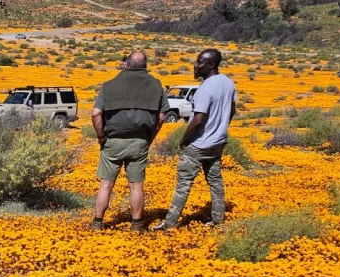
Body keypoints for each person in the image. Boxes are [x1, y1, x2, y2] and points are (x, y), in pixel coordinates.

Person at [153, 49, 236, 231]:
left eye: (200, 62)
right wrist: (221, 128)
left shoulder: (205, 88)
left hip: (198, 145)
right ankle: (217, 220)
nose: (195, 65)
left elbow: (198, 119)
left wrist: (183, 140)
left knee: (183, 184)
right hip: (217, 143)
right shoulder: (228, 83)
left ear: (211, 65)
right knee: (215, 181)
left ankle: (169, 224)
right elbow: (232, 109)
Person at [89, 50, 169, 232]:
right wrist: (149, 139)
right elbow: (162, 117)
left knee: (106, 185)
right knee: (136, 186)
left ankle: (97, 223)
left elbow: (95, 113)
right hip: (139, 141)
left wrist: (101, 136)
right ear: (145, 65)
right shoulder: (156, 85)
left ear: (126, 64)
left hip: (113, 142)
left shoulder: (109, 85)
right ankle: (137, 225)